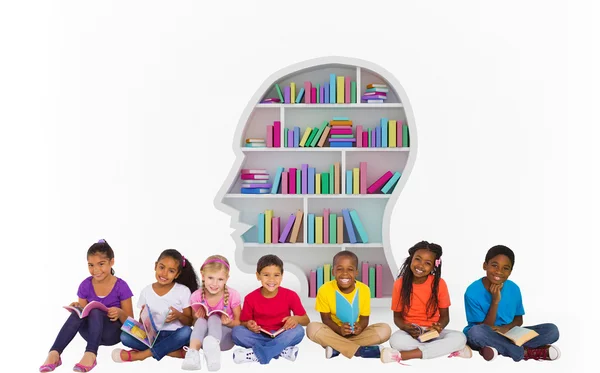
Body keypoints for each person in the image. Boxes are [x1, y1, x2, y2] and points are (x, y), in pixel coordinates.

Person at [39, 239, 134, 372]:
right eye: (91, 265)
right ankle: (55, 353)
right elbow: (82, 315)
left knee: (95, 309)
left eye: (101, 264)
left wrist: (119, 312)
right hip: (90, 333)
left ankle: (90, 354)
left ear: (111, 262)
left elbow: (132, 324)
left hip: (112, 333)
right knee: (78, 312)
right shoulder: (86, 285)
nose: (95, 270)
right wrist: (77, 307)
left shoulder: (121, 286)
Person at [464, 245, 560, 361]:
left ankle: (496, 348)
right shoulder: (472, 292)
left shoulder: (514, 288)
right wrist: (495, 301)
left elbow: (519, 319)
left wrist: (506, 329)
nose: (499, 271)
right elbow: (486, 327)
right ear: (485, 265)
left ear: (510, 271)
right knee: (476, 333)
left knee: (552, 330)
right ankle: (525, 352)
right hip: (485, 332)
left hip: (509, 333)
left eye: (505, 268)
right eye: (494, 265)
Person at [381, 241, 471, 364]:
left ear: (434, 266)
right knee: (396, 340)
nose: (421, 265)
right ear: (411, 259)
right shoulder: (399, 284)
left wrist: (438, 328)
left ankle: (404, 355)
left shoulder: (439, 283)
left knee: (460, 337)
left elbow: (445, 317)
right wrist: (405, 327)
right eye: (418, 259)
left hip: (433, 333)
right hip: (411, 333)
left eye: (427, 263)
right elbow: (397, 317)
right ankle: (448, 349)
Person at [112, 249, 197, 363]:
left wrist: (178, 316)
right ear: (156, 266)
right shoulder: (146, 291)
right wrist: (142, 318)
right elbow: (142, 324)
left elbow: (189, 322)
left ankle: (141, 355)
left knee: (187, 332)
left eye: (171, 271)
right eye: (162, 267)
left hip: (174, 334)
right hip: (152, 337)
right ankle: (173, 352)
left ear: (177, 274)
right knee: (124, 336)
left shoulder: (183, 291)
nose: (164, 273)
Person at [306, 251, 391, 359]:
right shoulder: (324, 290)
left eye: (350, 269)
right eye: (340, 269)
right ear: (333, 272)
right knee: (312, 328)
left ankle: (337, 347)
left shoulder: (364, 290)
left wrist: (360, 327)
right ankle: (359, 351)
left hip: (356, 334)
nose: (345, 273)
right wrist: (339, 329)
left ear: (356, 272)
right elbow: (326, 320)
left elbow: (365, 319)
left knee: (385, 329)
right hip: (334, 332)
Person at [231, 254, 309, 364]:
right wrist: (249, 325)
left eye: (276, 275)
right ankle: (281, 350)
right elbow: (243, 322)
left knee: (299, 331)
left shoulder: (290, 295)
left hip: (282, 334)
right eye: (266, 275)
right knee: (236, 333)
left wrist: (296, 319)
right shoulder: (250, 298)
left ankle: (258, 354)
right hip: (260, 335)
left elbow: (306, 320)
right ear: (258, 276)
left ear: (282, 276)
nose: (271, 279)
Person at [182, 255, 241, 371]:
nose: (214, 284)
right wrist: (197, 317)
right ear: (203, 276)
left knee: (214, 317)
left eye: (220, 279)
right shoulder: (196, 296)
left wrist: (229, 323)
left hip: (225, 340)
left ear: (226, 279)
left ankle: (213, 348)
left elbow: (239, 322)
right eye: (210, 278)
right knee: (202, 320)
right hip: (202, 341)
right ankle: (193, 353)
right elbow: (195, 324)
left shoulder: (233, 295)